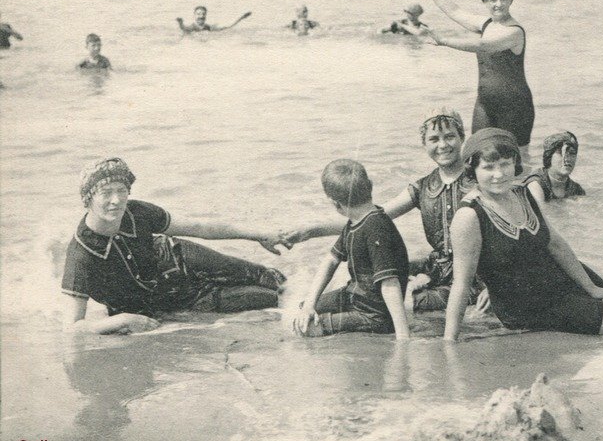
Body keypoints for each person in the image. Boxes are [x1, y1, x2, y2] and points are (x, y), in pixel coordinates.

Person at [444, 128, 603, 341]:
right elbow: (461, 283)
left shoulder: (522, 192)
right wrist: (450, 340)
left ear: (515, 163)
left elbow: (554, 242)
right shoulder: (469, 215)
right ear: (472, 171)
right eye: (488, 167)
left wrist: (591, 287)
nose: (499, 174)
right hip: (527, 304)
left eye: (505, 164)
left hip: (556, 280)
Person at [284, 108, 482, 312]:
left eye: (449, 136)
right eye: (434, 139)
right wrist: (310, 231)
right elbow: (371, 218)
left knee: (404, 305)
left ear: (462, 137)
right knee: (369, 286)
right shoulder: (423, 187)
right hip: (436, 268)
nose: (442, 145)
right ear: (424, 144)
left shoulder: (479, 181)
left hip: (476, 275)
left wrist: (495, 291)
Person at [62, 158, 288, 335]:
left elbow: (199, 227)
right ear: (88, 199)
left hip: (175, 255)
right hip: (165, 299)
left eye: (122, 190)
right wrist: (120, 320)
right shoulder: (81, 255)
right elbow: (73, 328)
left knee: (266, 276)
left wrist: (257, 235)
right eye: (106, 193)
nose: (116, 200)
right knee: (267, 299)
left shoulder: (138, 212)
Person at [410, 0, 535, 155]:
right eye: (493, 0)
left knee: (517, 159)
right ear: (485, 2)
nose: (498, 4)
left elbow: (483, 46)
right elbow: (455, 11)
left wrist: (445, 41)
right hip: (485, 104)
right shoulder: (486, 24)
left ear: (511, 0)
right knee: (477, 154)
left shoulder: (514, 31)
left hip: (515, 106)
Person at [292, 160, 410, 339]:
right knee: (301, 310)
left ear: (335, 204)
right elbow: (331, 260)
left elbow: (389, 283)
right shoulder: (355, 222)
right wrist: (309, 304)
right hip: (354, 297)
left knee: (305, 329)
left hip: (374, 315)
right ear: (370, 186)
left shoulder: (376, 227)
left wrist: (403, 336)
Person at [525, 131, 586, 202]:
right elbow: (540, 211)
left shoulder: (576, 189)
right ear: (549, 156)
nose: (567, 159)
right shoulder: (536, 184)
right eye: (560, 153)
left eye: (572, 153)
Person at [176, 6, 251, 34]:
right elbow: (185, 29)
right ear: (194, 15)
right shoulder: (192, 27)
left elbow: (227, 26)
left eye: (203, 14)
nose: (201, 16)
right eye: (198, 14)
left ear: (206, 15)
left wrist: (241, 17)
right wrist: (180, 23)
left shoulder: (209, 27)